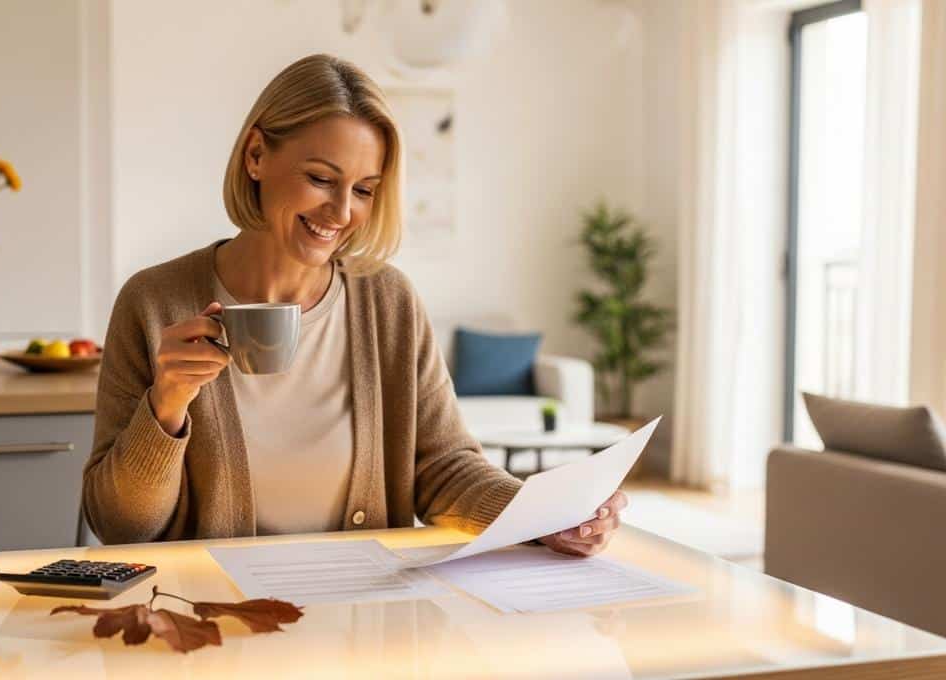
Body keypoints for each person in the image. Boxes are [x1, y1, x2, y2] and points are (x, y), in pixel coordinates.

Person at [83, 53, 627, 554]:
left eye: (364, 190)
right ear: (256, 156)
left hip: (365, 622)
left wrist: (542, 515)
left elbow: (442, 467)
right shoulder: (154, 302)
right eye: (321, 179)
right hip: (215, 625)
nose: (341, 212)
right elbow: (121, 526)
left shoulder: (387, 302)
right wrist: (167, 404)